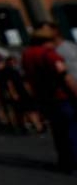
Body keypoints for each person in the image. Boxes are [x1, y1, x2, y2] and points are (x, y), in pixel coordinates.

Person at [22, 25, 77, 173]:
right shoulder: (49, 55)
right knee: (71, 129)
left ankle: (64, 160)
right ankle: (73, 160)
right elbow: (64, 76)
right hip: (62, 96)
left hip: (45, 98)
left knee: (58, 131)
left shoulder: (27, 55)